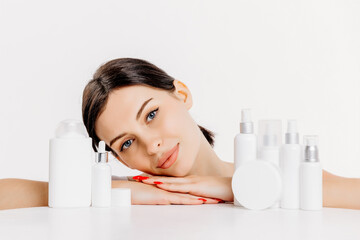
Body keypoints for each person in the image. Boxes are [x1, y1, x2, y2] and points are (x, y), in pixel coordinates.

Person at [1, 58, 360, 209]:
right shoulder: (135, 194)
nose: (151, 144)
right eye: (126, 143)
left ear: (182, 95)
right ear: (116, 157)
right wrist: (111, 189)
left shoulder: (280, 173)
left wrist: (237, 186)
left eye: (152, 114)